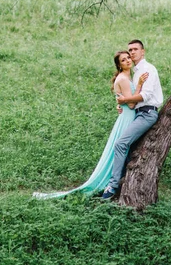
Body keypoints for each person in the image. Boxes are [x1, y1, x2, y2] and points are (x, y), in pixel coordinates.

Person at [33, 51, 148, 199]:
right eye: (123, 60)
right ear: (119, 65)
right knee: (122, 149)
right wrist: (139, 85)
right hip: (128, 117)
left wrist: (120, 103)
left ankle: (119, 182)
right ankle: (113, 184)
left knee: (124, 150)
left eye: (128, 58)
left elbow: (123, 100)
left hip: (127, 116)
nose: (127, 61)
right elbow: (132, 104)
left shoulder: (127, 77)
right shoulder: (124, 79)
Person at [101, 39, 163, 200]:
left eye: (135, 49)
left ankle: (112, 186)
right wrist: (122, 103)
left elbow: (146, 95)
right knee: (127, 148)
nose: (132, 53)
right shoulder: (135, 73)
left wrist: (125, 101)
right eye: (130, 50)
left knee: (121, 144)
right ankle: (122, 182)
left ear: (143, 51)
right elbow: (130, 98)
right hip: (137, 113)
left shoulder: (148, 69)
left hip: (147, 113)